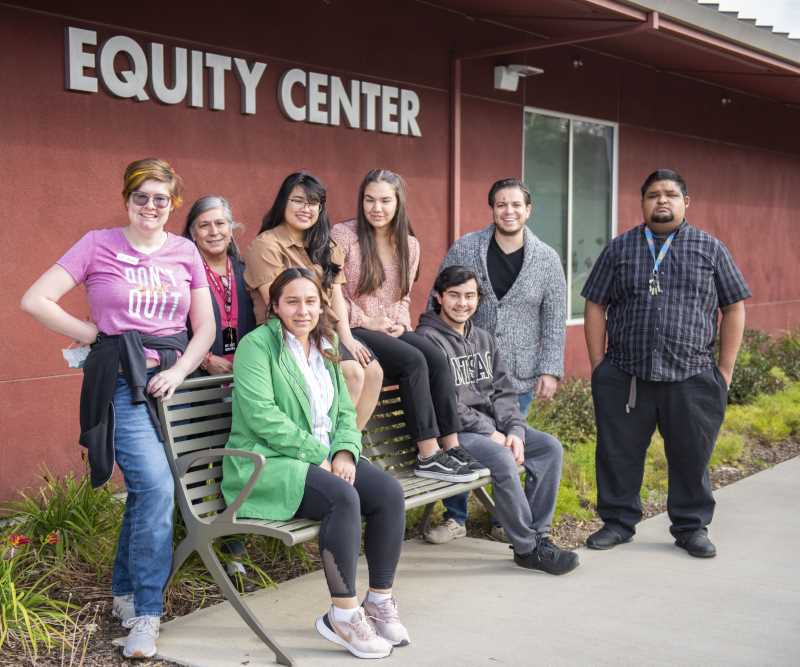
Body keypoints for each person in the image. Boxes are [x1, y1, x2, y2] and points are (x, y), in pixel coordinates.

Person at [20, 158, 216, 659]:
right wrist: (96, 336)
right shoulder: (97, 244)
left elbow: (206, 328)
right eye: (141, 196)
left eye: (161, 199)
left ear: (173, 204)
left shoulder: (185, 250)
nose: (150, 206)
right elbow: (35, 299)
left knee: (147, 493)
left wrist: (180, 371)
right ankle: (148, 614)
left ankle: (126, 594)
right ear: (127, 198)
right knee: (156, 485)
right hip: (121, 384)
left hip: (172, 384)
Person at [221, 268, 409, 658]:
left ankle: (378, 600)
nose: (302, 310)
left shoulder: (324, 345)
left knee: (388, 492)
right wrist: (319, 455)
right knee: (343, 498)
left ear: (322, 304)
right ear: (275, 306)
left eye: (310, 301)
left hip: (319, 458)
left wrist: (343, 451)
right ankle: (342, 615)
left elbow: (343, 409)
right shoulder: (257, 346)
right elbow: (261, 416)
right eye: (292, 301)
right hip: (266, 462)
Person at [582, 169, 750, 558]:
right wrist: (598, 364)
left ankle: (691, 527)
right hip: (626, 375)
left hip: (692, 376)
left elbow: (734, 306)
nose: (662, 200)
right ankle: (618, 523)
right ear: (642, 203)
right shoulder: (619, 249)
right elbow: (594, 302)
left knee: (692, 457)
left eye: (670, 194)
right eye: (653, 194)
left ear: (685, 202)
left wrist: (724, 370)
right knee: (617, 454)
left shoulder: (710, 249)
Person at [417, 265, 578, 574]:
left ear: (478, 299)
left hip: (491, 429)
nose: (462, 303)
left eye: (469, 296)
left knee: (548, 448)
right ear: (439, 297)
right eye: (454, 296)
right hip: (454, 434)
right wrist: (492, 432)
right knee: (503, 459)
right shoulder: (428, 340)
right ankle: (527, 548)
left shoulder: (484, 339)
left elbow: (504, 391)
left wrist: (515, 429)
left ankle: (539, 535)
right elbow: (444, 402)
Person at [431, 177, 567, 538]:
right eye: (501, 205)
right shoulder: (467, 247)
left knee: (511, 443)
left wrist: (550, 369)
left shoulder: (546, 258)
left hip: (516, 373)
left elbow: (555, 317)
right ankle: (455, 517)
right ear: (492, 209)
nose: (509, 211)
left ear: (528, 210)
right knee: (466, 441)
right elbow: (442, 293)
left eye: (516, 205)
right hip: (465, 366)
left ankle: (504, 522)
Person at [331, 169, 483, 483]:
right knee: (413, 361)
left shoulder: (409, 244)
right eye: (369, 200)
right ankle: (427, 454)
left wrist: (400, 325)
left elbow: (404, 297)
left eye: (385, 200)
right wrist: (366, 320)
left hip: (388, 329)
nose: (377, 208)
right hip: (352, 328)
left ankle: (451, 446)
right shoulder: (343, 235)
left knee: (436, 357)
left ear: (398, 203)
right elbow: (332, 292)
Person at [243, 172, 382, 430]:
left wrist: (347, 337)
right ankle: (327, 447)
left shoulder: (324, 245)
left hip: (323, 330)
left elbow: (337, 297)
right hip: (288, 334)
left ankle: (350, 448)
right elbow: (279, 306)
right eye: (298, 201)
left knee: (373, 372)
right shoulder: (266, 245)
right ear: (283, 202)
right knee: (352, 374)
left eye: (313, 203)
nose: (306, 209)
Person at [183, 195, 256, 375]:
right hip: (197, 380)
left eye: (220, 223)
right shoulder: (183, 274)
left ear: (230, 230)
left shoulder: (247, 271)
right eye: (204, 225)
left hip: (245, 374)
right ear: (193, 234)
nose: (214, 231)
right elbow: (169, 327)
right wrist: (204, 359)